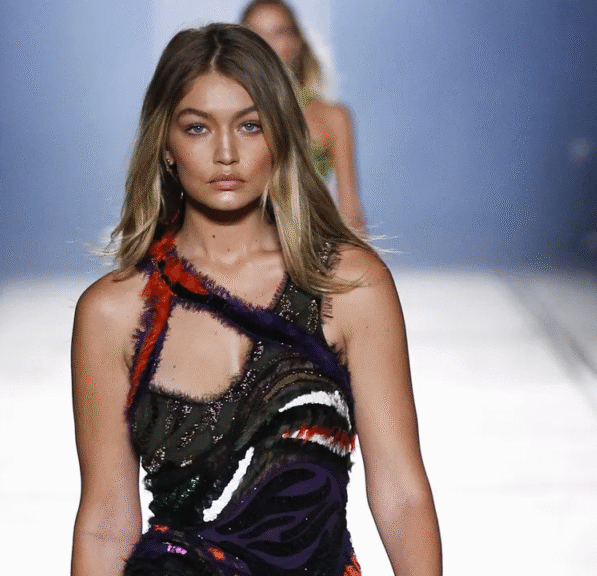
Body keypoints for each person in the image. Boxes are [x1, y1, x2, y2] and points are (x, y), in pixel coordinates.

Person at [71, 23, 440, 576]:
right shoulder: (112, 312)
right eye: (198, 128)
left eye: (250, 125)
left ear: (282, 136)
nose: (226, 153)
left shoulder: (349, 287)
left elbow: (401, 491)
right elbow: (105, 520)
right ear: (165, 145)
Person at [241, 0, 367, 232]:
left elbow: (351, 212)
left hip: (308, 241)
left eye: (279, 32)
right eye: (255, 34)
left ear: (297, 42)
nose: (267, 44)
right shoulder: (223, 110)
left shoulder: (333, 118)